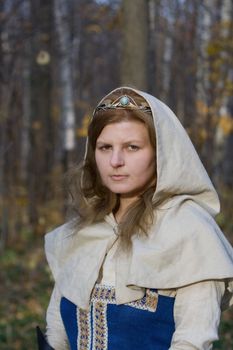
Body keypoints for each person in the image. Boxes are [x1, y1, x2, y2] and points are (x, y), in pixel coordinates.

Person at [43, 87, 233, 350]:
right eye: (105, 147)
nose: (116, 161)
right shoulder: (84, 231)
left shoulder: (191, 232)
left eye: (132, 147)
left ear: (160, 153)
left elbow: (192, 341)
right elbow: (57, 331)